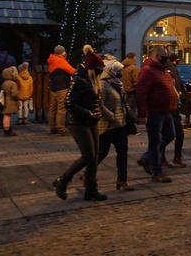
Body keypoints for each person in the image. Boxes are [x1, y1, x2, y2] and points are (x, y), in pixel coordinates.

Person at [52, 45, 107, 201]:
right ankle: (63, 180)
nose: (100, 71)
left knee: (95, 156)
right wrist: (88, 113)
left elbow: (95, 99)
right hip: (78, 122)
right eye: (98, 68)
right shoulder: (79, 80)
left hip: (92, 121)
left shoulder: (92, 79)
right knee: (88, 155)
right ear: (92, 68)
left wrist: (97, 113)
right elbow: (69, 103)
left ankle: (91, 189)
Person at [135, 46, 176, 183]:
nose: (166, 57)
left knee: (170, 135)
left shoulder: (163, 70)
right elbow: (141, 93)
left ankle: (146, 158)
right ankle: (156, 171)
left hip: (166, 111)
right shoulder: (147, 71)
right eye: (163, 55)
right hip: (155, 112)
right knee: (155, 141)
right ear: (156, 56)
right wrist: (143, 113)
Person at [96, 59, 133, 191]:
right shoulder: (103, 84)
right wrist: (110, 116)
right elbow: (100, 105)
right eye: (117, 71)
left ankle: (122, 179)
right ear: (110, 71)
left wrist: (130, 114)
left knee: (123, 152)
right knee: (101, 153)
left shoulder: (118, 83)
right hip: (108, 125)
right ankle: (88, 176)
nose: (120, 74)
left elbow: (123, 100)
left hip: (121, 124)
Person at [161, 54, 186, 169]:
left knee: (174, 134)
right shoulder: (169, 71)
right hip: (169, 110)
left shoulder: (168, 71)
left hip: (171, 109)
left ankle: (166, 158)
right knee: (170, 135)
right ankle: (152, 158)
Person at [48, 45, 76, 136]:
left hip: (53, 87)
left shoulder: (52, 60)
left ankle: (52, 127)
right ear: (61, 53)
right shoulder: (60, 61)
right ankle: (61, 128)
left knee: (52, 107)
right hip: (62, 86)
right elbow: (72, 71)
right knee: (61, 108)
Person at [0, 66, 20, 136]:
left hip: (5, 100)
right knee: (7, 116)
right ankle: (7, 129)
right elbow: (14, 94)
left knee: (6, 115)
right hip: (11, 101)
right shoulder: (13, 83)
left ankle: (7, 128)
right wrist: (18, 98)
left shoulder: (4, 83)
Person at [121, 52, 140, 124]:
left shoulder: (122, 67)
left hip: (123, 90)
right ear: (133, 57)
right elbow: (137, 81)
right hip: (132, 91)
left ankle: (129, 126)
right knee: (131, 109)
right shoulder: (134, 68)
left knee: (126, 108)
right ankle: (136, 121)